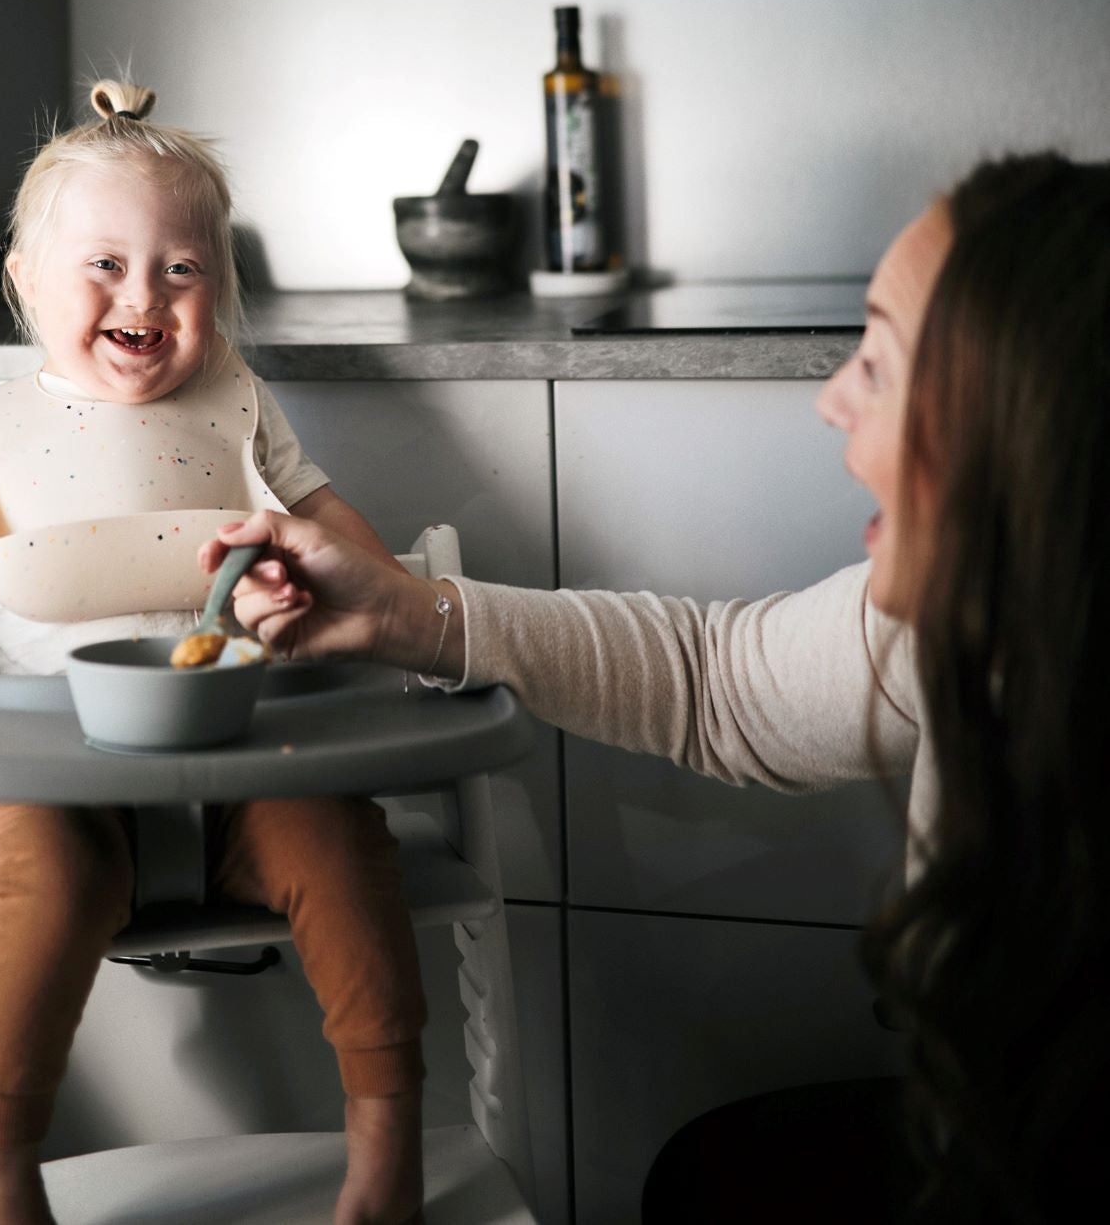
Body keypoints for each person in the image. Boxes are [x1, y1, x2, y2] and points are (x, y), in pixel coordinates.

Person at [203, 153, 1110, 1223]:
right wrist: (406, 612)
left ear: (1018, 425)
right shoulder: (970, 602)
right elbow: (715, 681)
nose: (828, 399)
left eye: (878, 361)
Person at [0, 81, 427, 1225]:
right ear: (27, 280)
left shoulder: (237, 404)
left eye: (183, 270)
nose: (147, 295)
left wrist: (413, 613)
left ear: (217, 292)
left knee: (343, 845)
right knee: (43, 880)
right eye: (105, 266)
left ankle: (384, 1137)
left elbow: (327, 526)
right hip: (51, 779)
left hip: (242, 759)